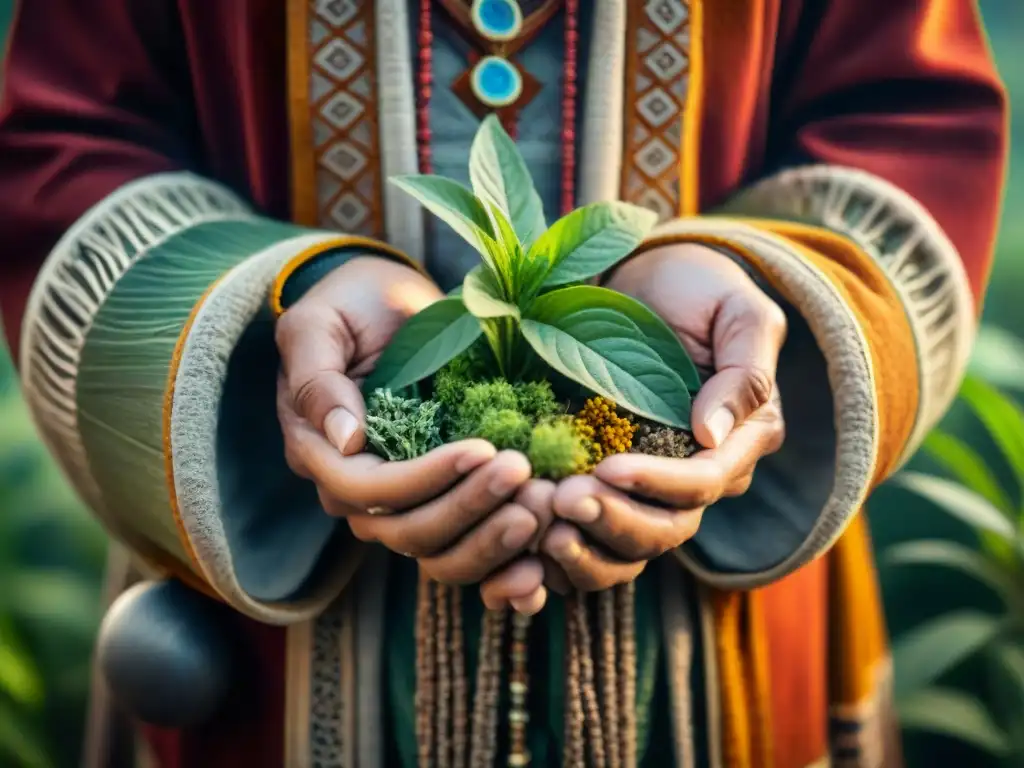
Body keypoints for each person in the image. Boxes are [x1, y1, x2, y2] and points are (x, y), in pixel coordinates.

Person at [0, 0, 1007, 766]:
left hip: (710, 635)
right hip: (277, 620)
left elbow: (906, 116)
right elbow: (67, 135)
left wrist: (753, 298)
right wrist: (290, 300)